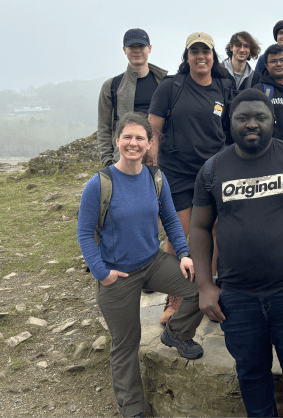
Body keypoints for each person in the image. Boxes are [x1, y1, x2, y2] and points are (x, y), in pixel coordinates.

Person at [189, 89, 283, 417]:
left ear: (273, 121)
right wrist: (206, 287)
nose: (252, 124)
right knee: (251, 374)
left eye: (260, 117)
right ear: (230, 122)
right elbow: (198, 229)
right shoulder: (212, 171)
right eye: (243, 118)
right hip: (237, 298)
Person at [77, 112, 204, 418]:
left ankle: (176, 333)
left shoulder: (155, 178)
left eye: (140, 138)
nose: (133, 144)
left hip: (153, 262)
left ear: (149, 144)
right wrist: (102, 273)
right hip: (116, 271)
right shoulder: (100, 184)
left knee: (201, 287)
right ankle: (133, 409)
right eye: (127, 137)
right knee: (126, 342)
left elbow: (172, 219)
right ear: (117, 140)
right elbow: (84, 232)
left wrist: (184, 253)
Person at [148, 31, 234, 324]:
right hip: (178, 173)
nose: (200, 56)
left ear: (213, 56)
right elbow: (154, 130)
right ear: (187, 56)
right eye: (194, 51)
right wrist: (153, 168)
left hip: (214, 173)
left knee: (214, 232)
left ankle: (205, 292)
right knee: (179, 236)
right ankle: (175, 297)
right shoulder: (172, 86)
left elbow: (231, 130)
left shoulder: (224, 86)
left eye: (206, 51)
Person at [97, 28, 167, 167]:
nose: (137, 50)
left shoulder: (165, 83)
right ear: (124, 49)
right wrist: (108, 161)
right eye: (132, 47)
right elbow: (104, 127)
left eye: (141, 46)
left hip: (161, 160)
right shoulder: (111, 86)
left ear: (149, 48)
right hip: (123, 161)